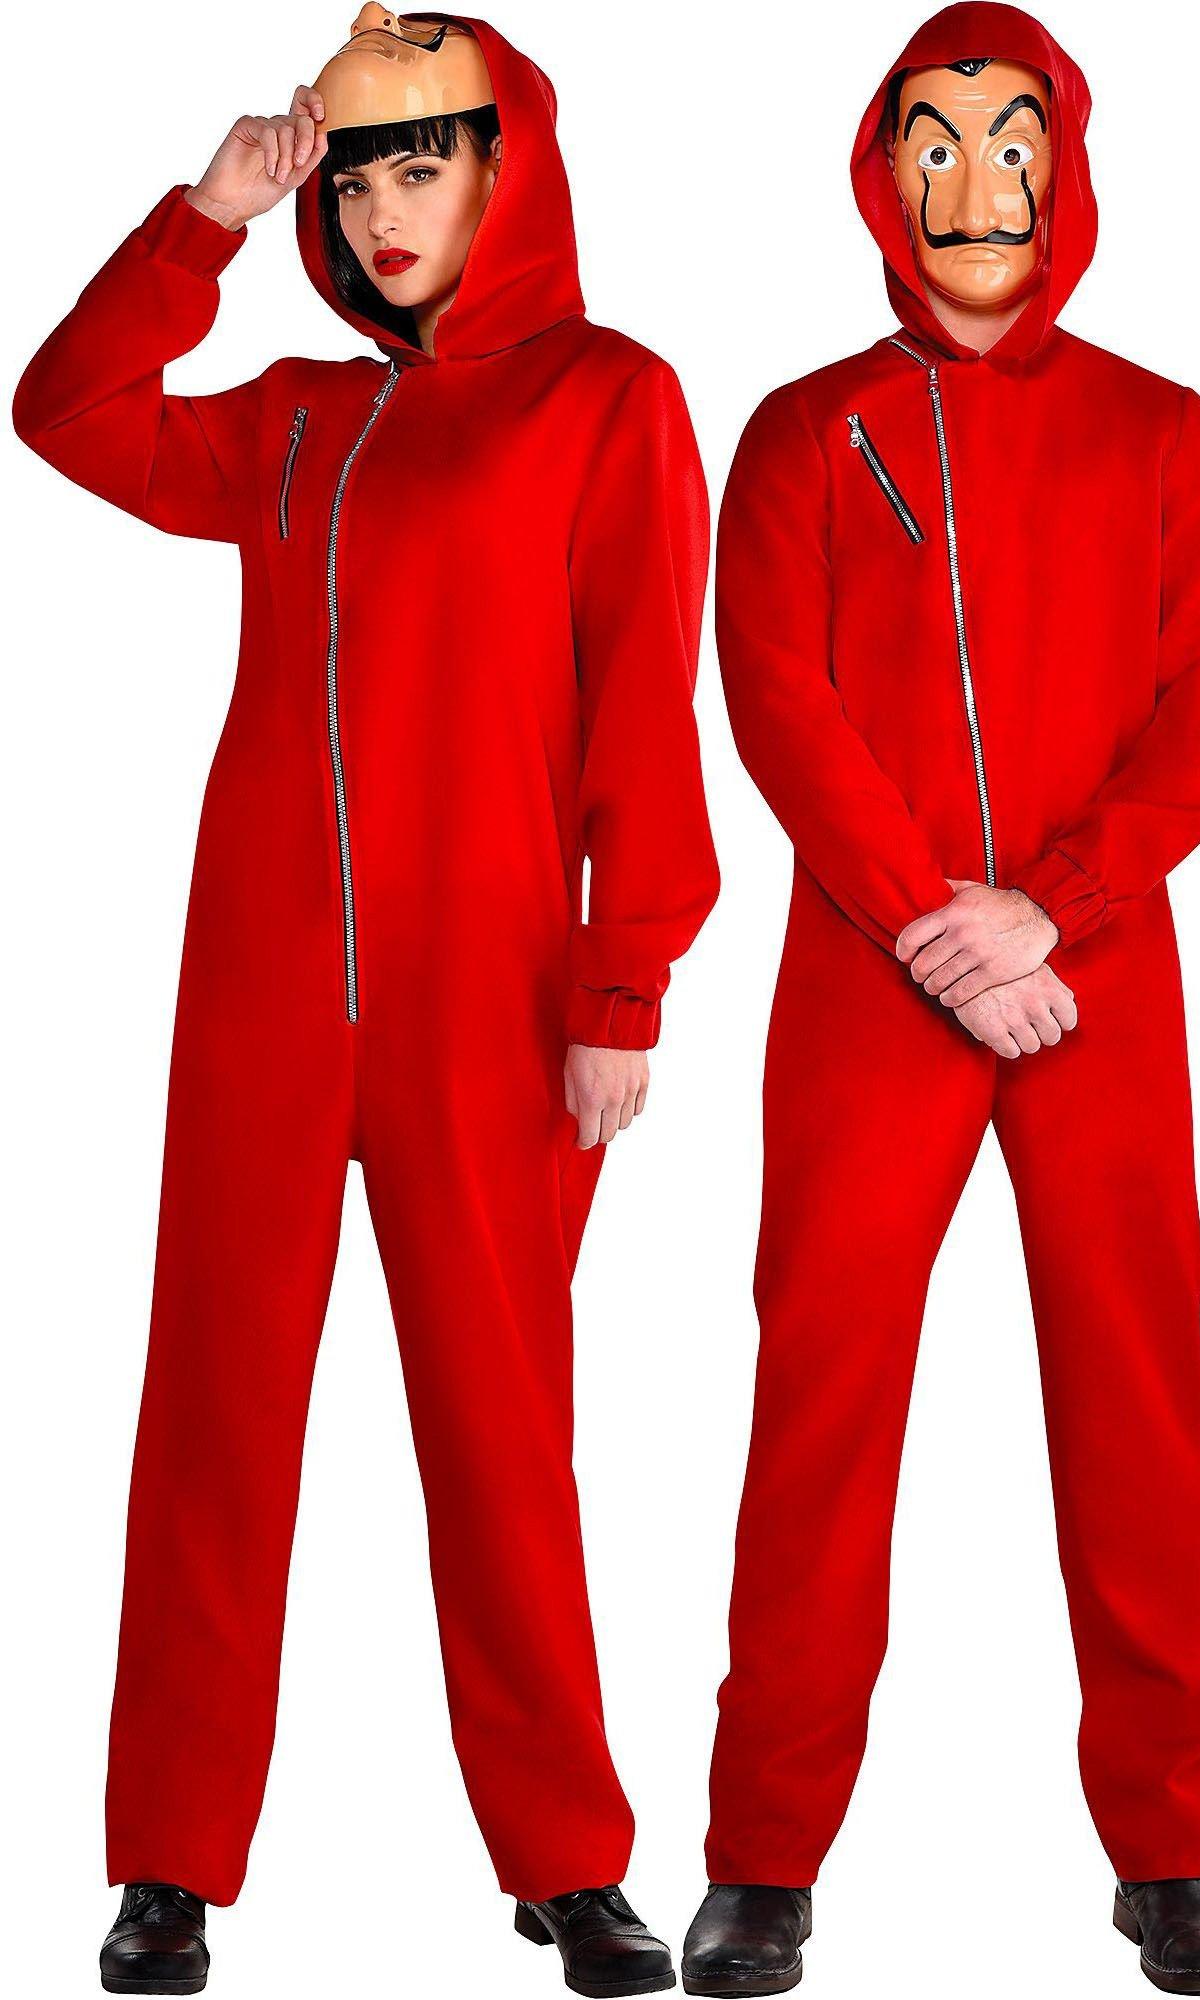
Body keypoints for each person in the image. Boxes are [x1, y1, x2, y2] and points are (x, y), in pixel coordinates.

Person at [12, 11, 718, 1995]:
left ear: (506, 170)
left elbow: (643, 705)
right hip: (257, 988)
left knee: (500, 1427)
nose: (382, 210)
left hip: (487, 1001)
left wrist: (622, 978)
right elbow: (66, 411)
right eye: (355, 175)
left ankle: (567, 1859)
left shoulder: (606, 397)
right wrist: (209, 215)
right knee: (211, 1414)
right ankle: (167, 1862)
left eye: (420, 164)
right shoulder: (295, 419)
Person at [682, 4, 1200, 1995]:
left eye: (1011, 140)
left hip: (1099, 980)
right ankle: (762, 1855)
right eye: (929, 141)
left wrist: (1056, 910)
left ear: (1064, 166)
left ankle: (1172, 1849)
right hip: (874, 978)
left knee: (1136, 1392)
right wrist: (940, 924)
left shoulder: (1168, 434)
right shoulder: (798, 431)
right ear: (880, 173)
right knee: (821, 1395)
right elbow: (778, 696)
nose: (973, 184)